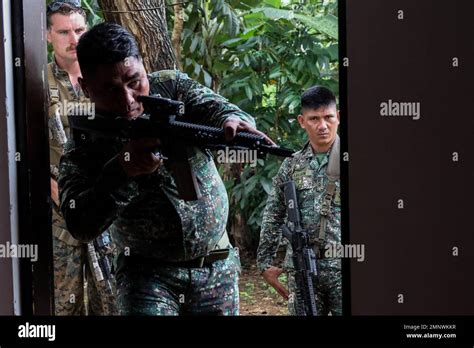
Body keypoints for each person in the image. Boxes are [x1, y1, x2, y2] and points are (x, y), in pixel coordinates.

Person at [58, 22, 274, 315]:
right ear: (85, 87)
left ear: (144, 67)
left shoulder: (171, 87)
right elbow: (78, 223)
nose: (128, 100)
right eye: (109, 89)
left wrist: (234, 119)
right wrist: (122, 170)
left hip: (216, 266)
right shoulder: (87, 137)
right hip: (147, 277)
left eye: (134, 81)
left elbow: (219, 109)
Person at [47, 0, 117, 315]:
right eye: (64, 32)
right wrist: (52, 186)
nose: (74, 39)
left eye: (79, 30)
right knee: (65, 302)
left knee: (112, 300)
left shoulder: (107, 77)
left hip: (106, 207)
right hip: (58, 214)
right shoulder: (34, 81)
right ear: (48, 34)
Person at [257, 86, 342, 315]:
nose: (322, 125)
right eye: (314, 119)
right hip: (302, 271)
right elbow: (273, 214)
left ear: (339, 117)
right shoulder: (291, 166)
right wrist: (264, 263)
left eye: (328, 117)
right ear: (302, 121)